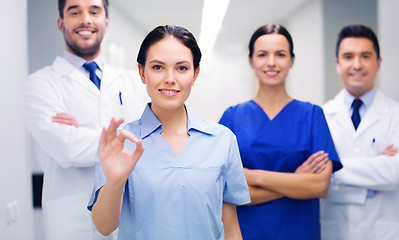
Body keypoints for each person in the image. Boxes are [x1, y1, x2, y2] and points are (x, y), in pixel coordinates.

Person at [87, 25, 250, 240]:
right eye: (157, 67)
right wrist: (116, 181)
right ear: (142, 72)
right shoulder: (120, 143)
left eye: (182, 68)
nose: (170, 78)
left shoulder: (222, 140)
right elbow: (104, 226)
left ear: (195, 74)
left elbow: (230, 228)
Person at [24, 0, 147, 239]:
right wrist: (126, 135)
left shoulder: (133, 82)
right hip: (70, 219)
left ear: (106, 22)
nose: (85, 19)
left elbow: (150, 139)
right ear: (61, 23)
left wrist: (81, 133)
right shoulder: (38, 85)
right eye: (74, 12)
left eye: (94, 11)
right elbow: (67, 149)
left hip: (127, 213)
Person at [218, 24, 343, 240]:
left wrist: (253, 176)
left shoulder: (312, 115)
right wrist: (295, 181)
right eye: (262, 54)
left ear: (291, 60)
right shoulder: (233, 117)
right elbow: (225, 190)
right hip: (247, 233)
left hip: (300, 233)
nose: (271, 62)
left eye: (280, 54)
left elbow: (320, 185)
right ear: (251, 61)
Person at [320, 24, 399, 240]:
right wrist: (375, 166)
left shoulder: (395, 114)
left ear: (378, 62)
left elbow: (394, 172)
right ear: (337, 64)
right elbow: (316, 178)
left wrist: (334, 167)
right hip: (335, 231)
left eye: (365, 56)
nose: (357, 64)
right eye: (348, 56)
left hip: (383, 231)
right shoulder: (322, 116)